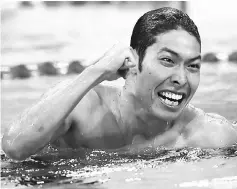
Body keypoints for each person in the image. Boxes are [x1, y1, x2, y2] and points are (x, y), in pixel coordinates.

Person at [2, 7, 237, 161]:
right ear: (134, 60)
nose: (182, 78)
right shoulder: (84, 107)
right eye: (168, 60)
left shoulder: (206, 133)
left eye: (193, 66)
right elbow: (14, 147)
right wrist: (96, 71)